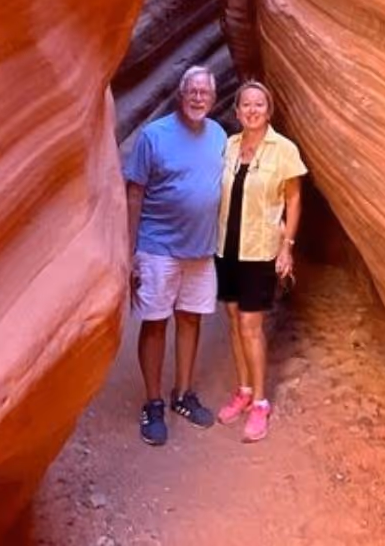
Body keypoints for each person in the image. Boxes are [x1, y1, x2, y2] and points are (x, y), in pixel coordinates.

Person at [123, 65, 226, 446]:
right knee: (154, 322)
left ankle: (182, 394)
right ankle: (152, 402)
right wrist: (130, 250)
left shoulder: (218, 135)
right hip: (156, 248)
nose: (199, 97)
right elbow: (135, 193)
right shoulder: (154, 135)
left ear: (213, 99)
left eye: (205, 92)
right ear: (181, 95)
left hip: (200, 250)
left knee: (190, 320)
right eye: (192, 91)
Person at [214, 80, 307, 442]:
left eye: (259, 105)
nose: (252, 111)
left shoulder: (283, 149)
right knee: (234, 318)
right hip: (227, 247)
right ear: (236, 112)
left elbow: (294, 200)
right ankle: (244, 390)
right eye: (246, 105)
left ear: (269, 111)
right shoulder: (228, 147)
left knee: (251, 324)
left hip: (260, 250)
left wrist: (288, 246)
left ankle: (261, 403)